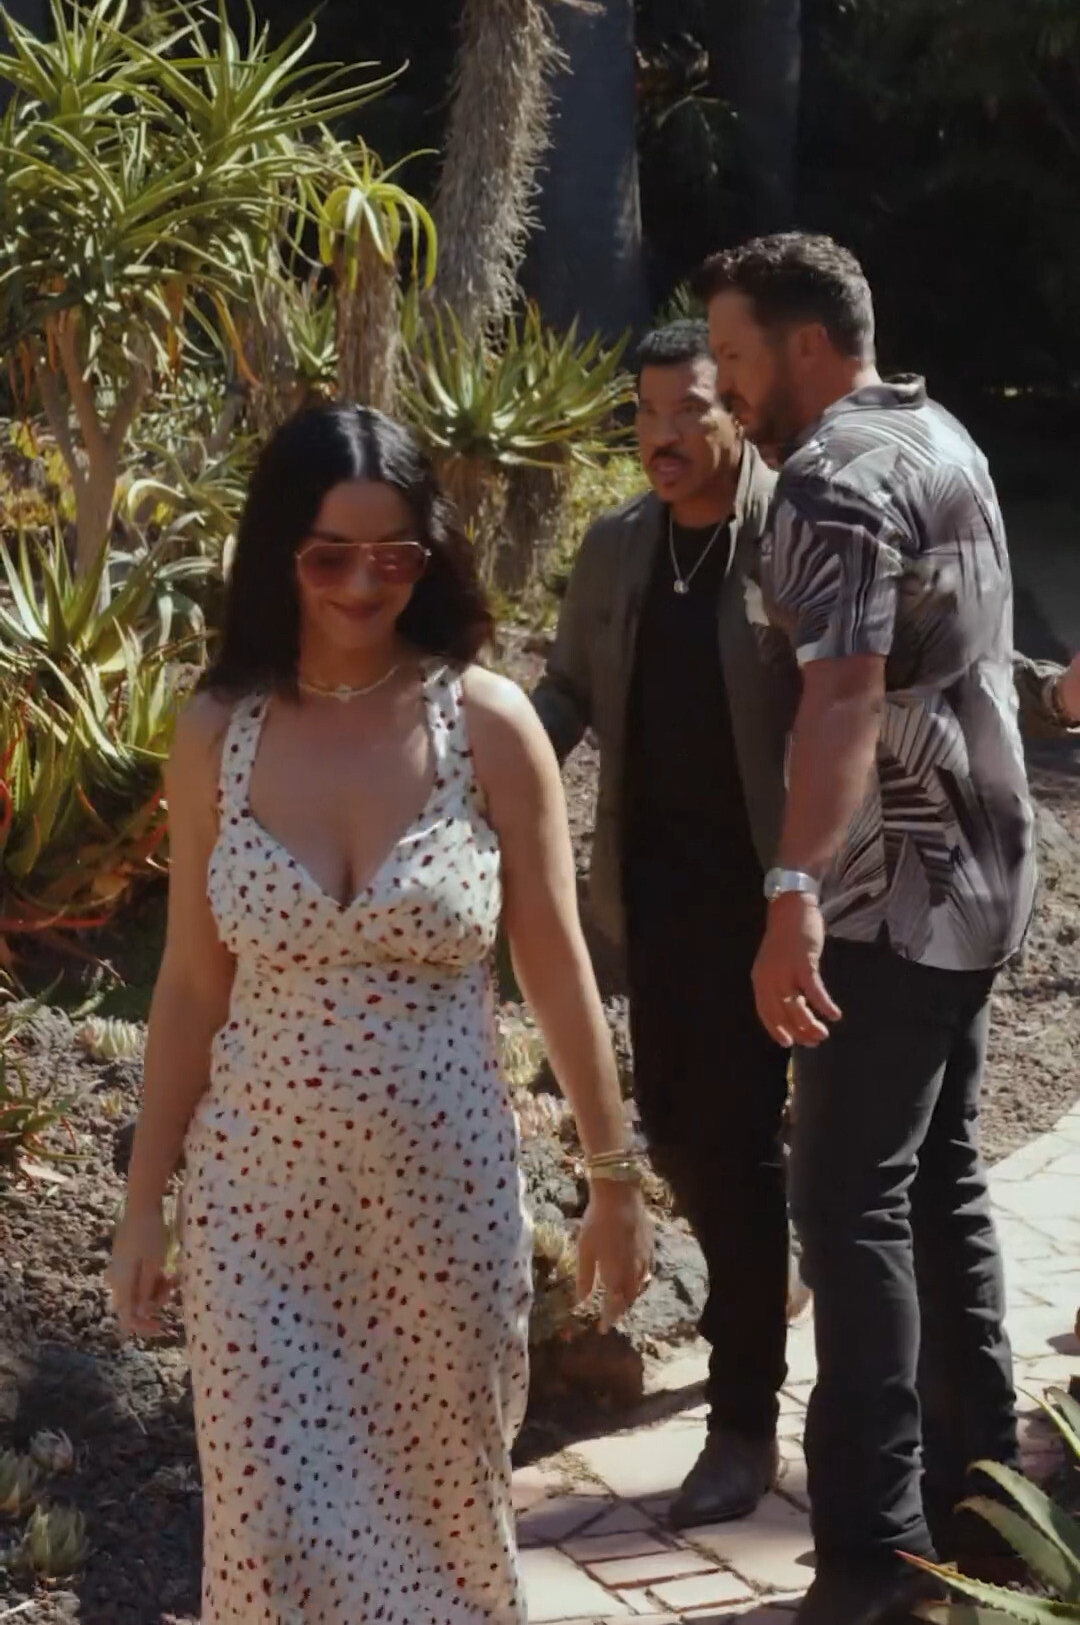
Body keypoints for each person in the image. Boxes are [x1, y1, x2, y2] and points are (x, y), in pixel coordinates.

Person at [109, 404, 652, 1625]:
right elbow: (190, 981)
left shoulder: (488, 723)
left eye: (395, 555)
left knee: (446, 1542)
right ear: (278, 556)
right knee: (270, 1545)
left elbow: (554, 959)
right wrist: (145, 1206)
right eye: (331, 556)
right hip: (258, 1217)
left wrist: (613, 1176)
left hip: (441, 1216)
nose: (365, 584)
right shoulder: (219, 731)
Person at [704, 231, 1038, 1625]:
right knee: (934, 1178)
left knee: (848, 1202)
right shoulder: (937, 433)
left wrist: (793, 891)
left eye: (732, 356)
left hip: (890, 889)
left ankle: (870, 1554)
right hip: (987, 874)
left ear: (803, 344)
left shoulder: (832, 477)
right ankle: (989, 1513)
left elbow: (842, 696)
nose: (722, 389)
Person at [533, 322, 801, 1529]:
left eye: (688, 410)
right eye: (643, 415)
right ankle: (767, 1275)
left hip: (780, 900)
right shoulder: (617, 547)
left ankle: (742, 1422)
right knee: (688, 1142)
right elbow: (568, 694)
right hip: (656, 903)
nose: (662, 435)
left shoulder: (794, 532)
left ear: (735, 406)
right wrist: (475, 775)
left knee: (739, 1148)